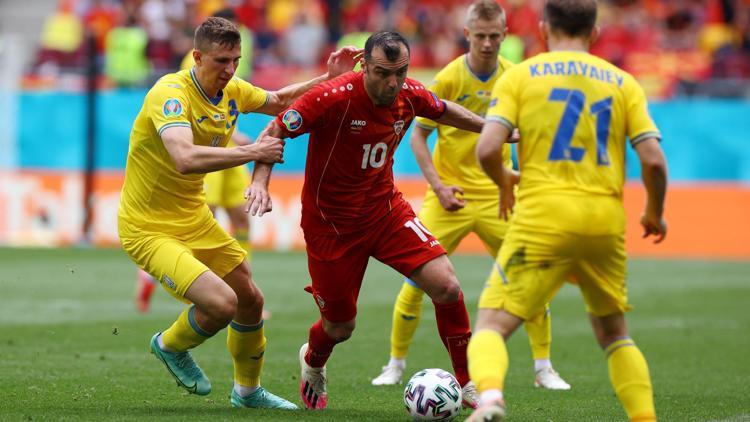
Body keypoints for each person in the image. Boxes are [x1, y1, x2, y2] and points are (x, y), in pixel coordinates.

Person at [118, 16, 359, 410]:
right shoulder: (171, 93)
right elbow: (183, 157)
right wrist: (253, 152)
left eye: (236, 60)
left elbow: (280, 100)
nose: (230, 70)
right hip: (148, 227)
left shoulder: (230, 89)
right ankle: (169, 345)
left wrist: (329, 79)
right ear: (197, 57)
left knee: (250, 298)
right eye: (221, 61)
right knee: (221, 303)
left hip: (193, 217)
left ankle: (247, 391)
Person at [247, 31, 486, 410]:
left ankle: (468, 381)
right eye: (382, 73)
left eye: (400, 72)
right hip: (332, 227)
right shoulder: (333, 97)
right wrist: (260, 181)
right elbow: (276, 128)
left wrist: (492, 129)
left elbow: (444, 109)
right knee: (340, 327)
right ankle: (313, 360)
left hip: (385, 212)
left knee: (447, 286)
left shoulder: (409, 93)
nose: (392, 83)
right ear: (364, 66)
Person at [466, 0, 668, 420]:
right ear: (594, 34)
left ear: (542, 29)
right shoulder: (623, 82)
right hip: (604, 222)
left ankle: (490, 400)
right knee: (614, 336)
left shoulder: (520, 77)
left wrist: (504, 179)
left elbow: (487, 148)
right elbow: (653, 161)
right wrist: (654, 212)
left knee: (490, 325)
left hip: (543, 217)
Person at [371, 0, 569, 391]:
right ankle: (394, 363)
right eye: (480, 36)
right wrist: (439, 187)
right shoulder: (448, 78)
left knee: (530, 277)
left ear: (505, 35)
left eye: (495, 36)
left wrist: (524, 180)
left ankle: (544, 367)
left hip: (500, 197)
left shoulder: (516, 78)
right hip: (450, 197)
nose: (488, 44)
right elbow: (419, 137)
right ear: (467, 35)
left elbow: (526, 135)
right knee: (417, 281)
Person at [135, 8, 256, 314]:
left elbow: (227, 103)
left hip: (231, 153)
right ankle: (194, 284)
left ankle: (240, 288)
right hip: (209, 152)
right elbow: (202, 114)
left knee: (241, 217)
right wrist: (243, 143)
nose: (231, 65)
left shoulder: (234, 56)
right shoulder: (195, 64)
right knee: (207, 218)